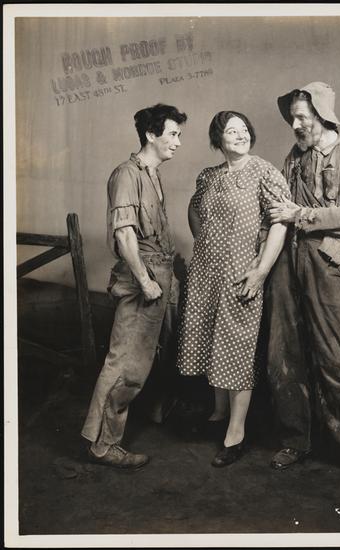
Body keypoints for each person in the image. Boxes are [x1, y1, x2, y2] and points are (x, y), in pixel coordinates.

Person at [265, 82, 340, 483]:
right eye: (293, 118)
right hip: (287, 263)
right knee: (285, 351)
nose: (295, 125)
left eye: (302, 117)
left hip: (328, 262)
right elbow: (278, 210)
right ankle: (296, 440)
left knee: (334, 356)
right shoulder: (293, 157)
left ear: (323, 115)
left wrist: (301, 215)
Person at [177, 111, 290, 467]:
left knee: (235, 347)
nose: (241, 135)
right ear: (218, 139)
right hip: (206, 274)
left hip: (242, 274)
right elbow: (195, 210)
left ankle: (236, 432)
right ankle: (218, 413)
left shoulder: (264, 172)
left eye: (244, 129)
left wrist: (260, 271)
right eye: (231, 130)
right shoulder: (208, 176)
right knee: (213, 339)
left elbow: (280, 224)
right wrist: (206, 244)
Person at [81, 103, 187, 469]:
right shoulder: (126, 175)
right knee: (125, 363)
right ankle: (102, 445)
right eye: (172, 134)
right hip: (143, 280)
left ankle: (150, 412)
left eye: (179, 135)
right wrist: (145, 282)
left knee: (146, 359)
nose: (178, 142)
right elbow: (125, 235)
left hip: (160, 274)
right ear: (151, 135)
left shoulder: (152, 174)